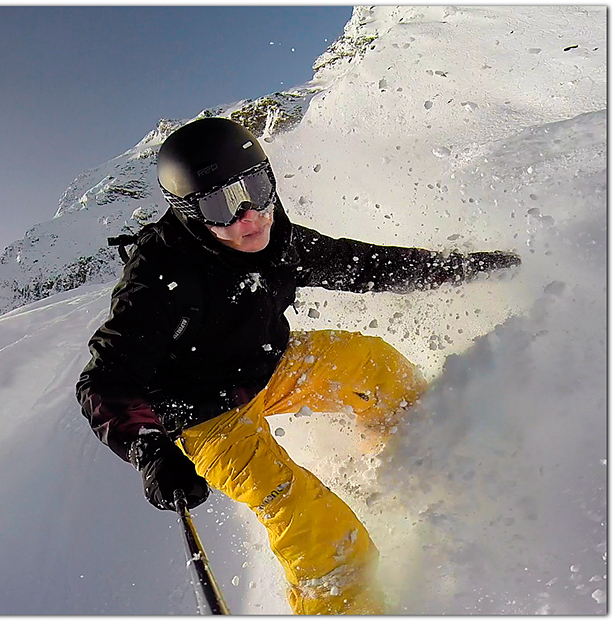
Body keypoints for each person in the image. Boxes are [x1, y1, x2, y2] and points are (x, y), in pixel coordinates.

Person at [76, 117, 520, 614]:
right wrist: (151, 451)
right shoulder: (160, 278)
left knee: (375, 368)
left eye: (257, 188)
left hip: (269, 368)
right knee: (319, 531)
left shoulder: (279, 238)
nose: (250, 217)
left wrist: (460, 268)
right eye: (222, 205)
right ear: (190, 214)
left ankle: (421, 466)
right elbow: (104, 381)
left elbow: (366, 266)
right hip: (205, 417)